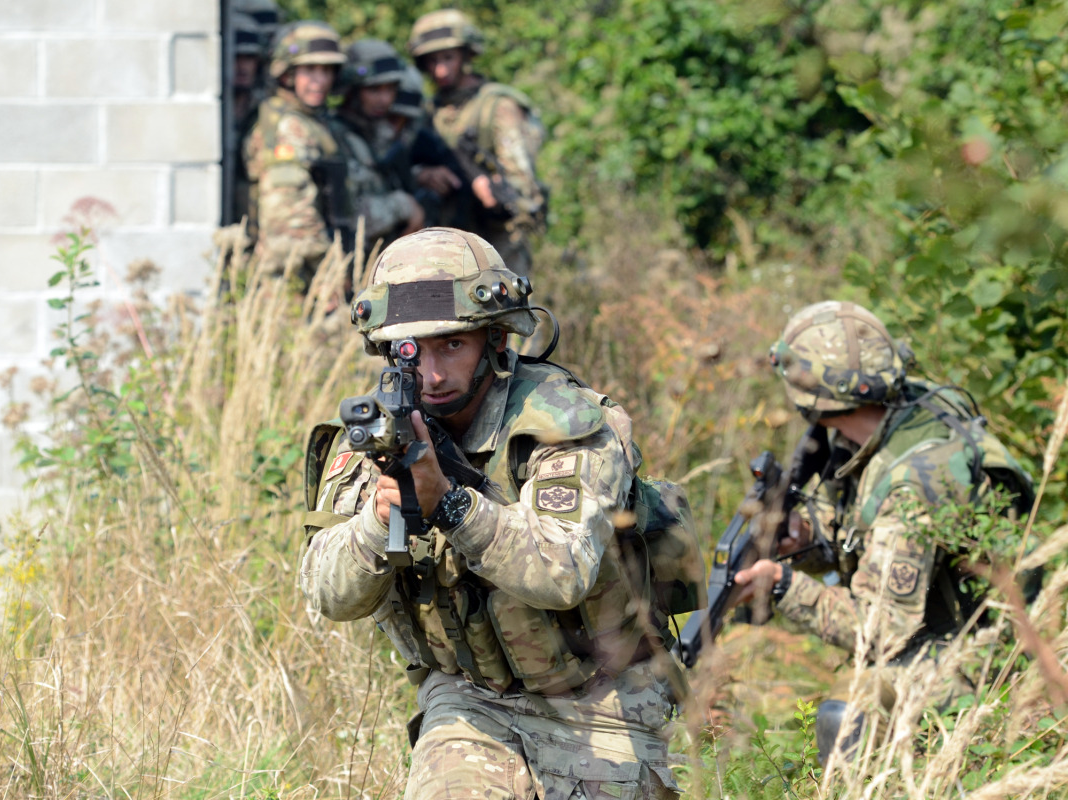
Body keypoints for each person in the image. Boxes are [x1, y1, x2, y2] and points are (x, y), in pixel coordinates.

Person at [299, 227, 690, 800]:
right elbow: (326, 595)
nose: (430, 375)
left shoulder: (565, 424)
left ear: (497, 340)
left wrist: (451, 506)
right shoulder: (378, 433)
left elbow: (562, 573)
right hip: (470, 699)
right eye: (411, 351)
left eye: (451, 345)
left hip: (603, 699)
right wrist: (379, 523)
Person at [731, 300, 1035, 765]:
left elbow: (880, 631)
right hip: (960, 619)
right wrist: (808, 536)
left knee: (853, 708)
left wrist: (782, 585)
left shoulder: (913, 480)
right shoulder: (903, 411)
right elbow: (867, 528)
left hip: (989, 654)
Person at [407, 9, 547, 276]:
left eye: (448, 57)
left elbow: (522, 184)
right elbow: (404, 167)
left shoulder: (497, 106)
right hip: (446, 239)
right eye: (432, 60)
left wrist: (494, 191)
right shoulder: (430, 112)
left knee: (504, 313)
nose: (440, 69)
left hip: (497, 238)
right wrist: (424, 175)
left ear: (467, 54)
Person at [243, 21, 351, 284]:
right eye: (309, 70)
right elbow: (292, 220)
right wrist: (330, 274)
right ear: (287, 74)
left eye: (327, 71)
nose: (320, 80)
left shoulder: (314, 121)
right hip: (294, 275)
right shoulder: (289, 126)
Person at [334, 39, 425, 253]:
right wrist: (403, 205)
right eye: (374, 89)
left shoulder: (380, 135)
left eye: (390, 89)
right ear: (353, 91)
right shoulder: (335, 138)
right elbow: (346, 216)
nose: (384, 99)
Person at [381, 65, 467, 229]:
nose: (394, 127)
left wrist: (421, 174)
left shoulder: (421, 140)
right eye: (391, 118)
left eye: (402, 119)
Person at [231, 11, 264, 230]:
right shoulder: (212, 111)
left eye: (249, 58)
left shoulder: (265, 109)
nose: (243, 66)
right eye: (236, 57)